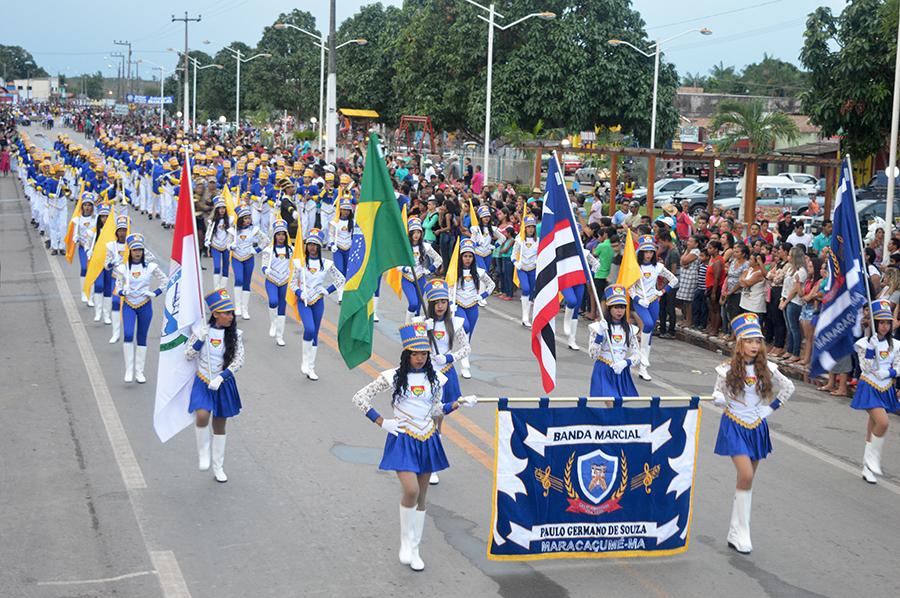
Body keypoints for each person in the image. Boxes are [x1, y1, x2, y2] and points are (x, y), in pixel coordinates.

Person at [351, 322, 477, 571]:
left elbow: (435, 410)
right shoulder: (392, 377)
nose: (420, 358)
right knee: (410, 491)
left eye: (424, 353)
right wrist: (381, 422)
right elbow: (359, 398)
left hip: (427, 438)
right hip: (403, 438)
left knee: (422, 496)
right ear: (407, 354)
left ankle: (415, 547)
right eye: (415, 353)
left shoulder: (437, 379)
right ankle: (405, 543)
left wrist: (458, 403)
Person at [712, 313, 795, 554]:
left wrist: (769, 410)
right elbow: (718, 395)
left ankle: (735, 531)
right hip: (735, 424)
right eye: (749, 341)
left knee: (746, 480)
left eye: (757, 341)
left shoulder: (767, 367)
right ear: (739, 343)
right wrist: (719, 400)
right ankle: (743, 530)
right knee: (745, 474)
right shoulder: (725, 369)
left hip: (757, 426)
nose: (754, 346)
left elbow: (789, 387)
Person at [185, 289, 245, 483]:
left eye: (231, 313)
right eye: (226, 313)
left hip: (223, 384)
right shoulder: (202, 331)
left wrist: (222, 377)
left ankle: (218, 466)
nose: (230, 316)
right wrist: (199, 341)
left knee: (219, 424)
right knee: (202, 415)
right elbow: (188, 355)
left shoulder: (235, 334)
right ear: (216, 314)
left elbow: (239, 360)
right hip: (203, 381)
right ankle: (203, 453)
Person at [851, 300, 900, 484]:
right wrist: (871, 349)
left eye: (887, 322)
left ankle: (866, 466)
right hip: (870, 386)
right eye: (881, 322)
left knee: (873, 426)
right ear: (874, 322)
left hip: (886, 386)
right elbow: (865, 367)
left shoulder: (896, 345)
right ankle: (873, 461)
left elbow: (899, 366)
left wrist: (888, 372)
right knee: (883, 422)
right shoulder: (864, 343)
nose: (884, 326)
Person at [289, 228, 344, 381]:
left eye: (315, 245)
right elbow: (292, 283)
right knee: (309, 329)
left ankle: (311, 367)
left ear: (319, 247)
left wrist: (327, 290)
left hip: (318, 301)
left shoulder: (326, 264)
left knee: (315, 333)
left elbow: (340, 279)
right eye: (310, 244)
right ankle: (304, 362)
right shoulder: (300, 263)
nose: (312, 247)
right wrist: (300, 293)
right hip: (304, 301)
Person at [114, 234, 168, 383]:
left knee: (142, 337)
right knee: (129, 334)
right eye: (134, 250)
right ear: (130, 251)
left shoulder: (151, 267)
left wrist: (154, 293)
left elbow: (165, 281)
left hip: (145, 305)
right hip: (129, 305)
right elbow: (117, 285)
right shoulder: (123, 268)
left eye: (140, 250)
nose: (137, 253)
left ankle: (139, 372)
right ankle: (128, 370)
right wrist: (121, 292)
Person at [627, 235, 678, 381]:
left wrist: (662, 291)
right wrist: (637, 298)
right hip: (640, 301)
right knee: (648, 324)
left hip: (653, 300)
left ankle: (643, 367)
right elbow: (630, 287)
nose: (648, 254)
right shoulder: (635, 268)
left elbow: (674, 280)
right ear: (640, 252)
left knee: (650, 330)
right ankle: (640, 354)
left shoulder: (658, 267)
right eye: (645, 251)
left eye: (651, 251)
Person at [450, 239, 493, 378]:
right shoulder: (454, 272)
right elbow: (449, 286)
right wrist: (451, 302)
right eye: (465, 256)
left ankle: (464, 363)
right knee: (465, 327)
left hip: (473, 306)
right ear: (460, 257)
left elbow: (491, 284)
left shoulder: (479, 272)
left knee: (469, 336)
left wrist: (483, 296)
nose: (467, 259)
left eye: (470, 256)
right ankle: (463, 361)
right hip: (459, 305)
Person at [588, 285, 640, 398]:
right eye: (616, 307)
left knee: (618, 405)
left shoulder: (630, 329)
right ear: (609, 308)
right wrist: (600, 335)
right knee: (611, 401)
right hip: (604, 369)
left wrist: (625, 363)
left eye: (622, 307)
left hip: (621, 369)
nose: (619, 311)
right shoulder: (598, 327)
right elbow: (593, 354)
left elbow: (637, 355)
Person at [228, 206, 267, 320]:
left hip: (249, 258)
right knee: (238, 279)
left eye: (249, 218)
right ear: (240, 219)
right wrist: (231, 246)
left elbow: (266, 240)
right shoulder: (233, 230)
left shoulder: (254, 230)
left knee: (247, 282)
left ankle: (245, 309)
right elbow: (227, 244)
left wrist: (257, 250)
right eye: (245, 218)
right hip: (237, 258)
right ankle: (238, 307)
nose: (248, 220)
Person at [400, 217, 443, 323]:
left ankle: (416, 330)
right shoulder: (403, 246)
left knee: (419, 306)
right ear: (409, 233)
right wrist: (405, 268)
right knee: (413, 303)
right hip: (407, 279)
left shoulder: (425, 246)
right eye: (413, 232)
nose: (416, 235)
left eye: (418, 232)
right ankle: (407, 324)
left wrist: (429, 270)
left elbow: (438, 259)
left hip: (420, 278)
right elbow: (396, 262)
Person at [260, 220, 293, 347]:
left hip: (285, 280)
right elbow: (263, 266)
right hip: (272, 280)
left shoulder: (291, 249)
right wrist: (266, 270)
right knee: (273, 301)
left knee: (282, 307)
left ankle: (280, 335)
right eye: (278, 234)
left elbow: (297, 262)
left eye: (283, 234)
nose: (281, 237)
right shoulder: (268, 250)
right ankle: (273, 322)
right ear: (275, 236)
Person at [512, 216, 539, 327]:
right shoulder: (519, 240)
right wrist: (516, 263)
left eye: (533, 227)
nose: (531, 229)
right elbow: (513, 255)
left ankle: (529, 315)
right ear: (525, 228)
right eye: (528, 227)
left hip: (533, 269)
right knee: (526, 289)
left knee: (532, 292)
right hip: (522, 269)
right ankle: (524, 316)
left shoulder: (538, 241)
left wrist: (538, 262)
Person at [328, 198, 356, 303]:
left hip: (349, 248)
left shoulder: (353, 222)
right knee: (339, 272)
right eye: (343, 209)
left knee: (347, 272)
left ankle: (346, 293)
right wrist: (331, 245)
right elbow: (331, 234)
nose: (345, 212)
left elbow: (354, 236)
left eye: (347, 210)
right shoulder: (334, 222)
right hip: (338, 249)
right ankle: (340, 295)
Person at [205, 197, 233, 290]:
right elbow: (209, 231)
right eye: (220, 208)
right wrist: (206, 240)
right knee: (217, 267)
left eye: (224, 208)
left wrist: (232, 243)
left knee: (226, 268)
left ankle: (222, 288)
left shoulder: (230, 220)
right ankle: (216, 288)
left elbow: (233, 233)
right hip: (215, 245)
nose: (222, 210)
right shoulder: (212, 220)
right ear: (217, 209)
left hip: (226, 246)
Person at [74, 192, 97, 303]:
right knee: (84, 268)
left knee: (93, 272)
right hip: (83, 249)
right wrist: (78, 240)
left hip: (94, 250)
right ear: (82, 206)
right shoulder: (77, 219)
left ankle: (90, 297)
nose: (87, 207)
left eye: (89, 205)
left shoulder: (96, 218)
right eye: (85, 205)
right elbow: (75, 235)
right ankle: (84, 292)